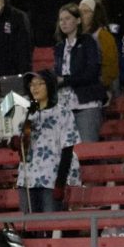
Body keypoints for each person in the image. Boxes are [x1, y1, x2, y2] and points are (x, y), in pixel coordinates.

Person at [15, 69, 80, 214]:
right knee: (28, 227)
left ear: (50, 86)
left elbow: (67, 150)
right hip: (27, 178)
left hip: (51, 178)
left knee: (50, 225)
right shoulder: (25, 113)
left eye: (40, 83)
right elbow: (19, 147)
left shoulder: (63, 113)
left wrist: (60, 183)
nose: (35, 88)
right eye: (32, 84)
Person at [54, 2, 105, 143]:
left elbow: (92, 72)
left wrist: (65, 80)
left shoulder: (88, 41)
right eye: (61, 19)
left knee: (89, 147)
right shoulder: (59, 47)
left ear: (78, 20)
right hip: (64, 106)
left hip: (86, 103)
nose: (63, 23)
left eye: (68, 18)